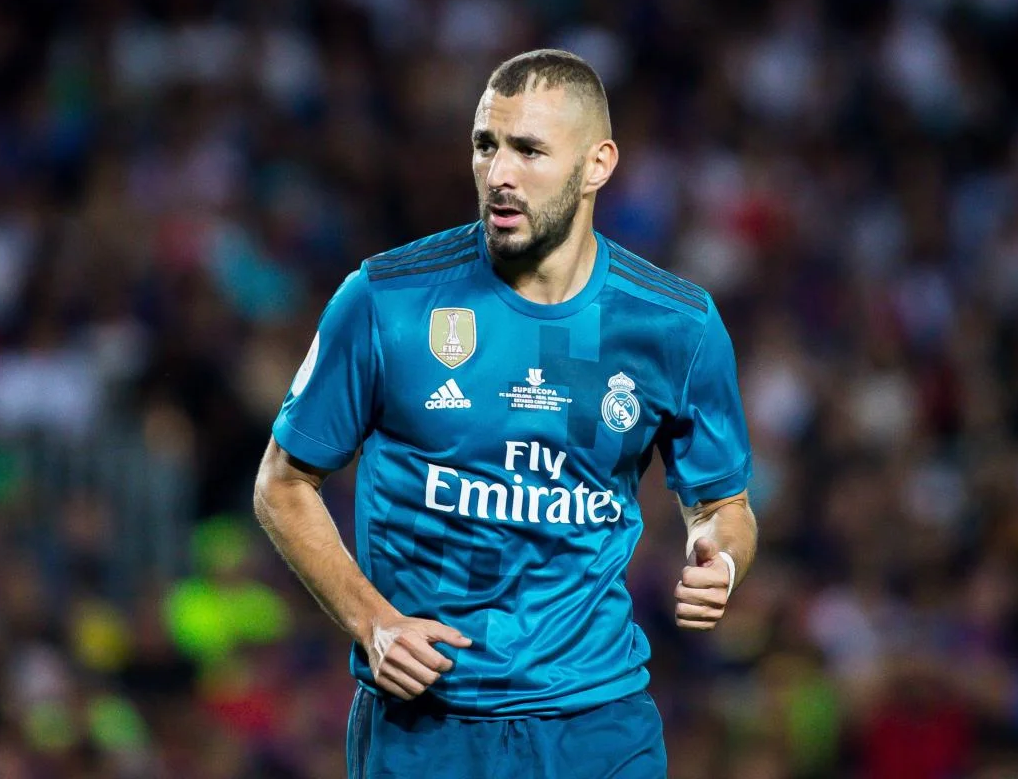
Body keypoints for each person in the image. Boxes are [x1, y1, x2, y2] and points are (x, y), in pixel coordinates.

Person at [253, 49, 757, 778]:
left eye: (528, 150)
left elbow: (723, 505)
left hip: (597, 723)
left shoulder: (676, 325)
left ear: (597, 164)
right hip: (428, 725)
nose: (499, 174)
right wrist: (374, 623)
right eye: (485, 145)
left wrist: (723, 558)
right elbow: (282, 482)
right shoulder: (385, 301)